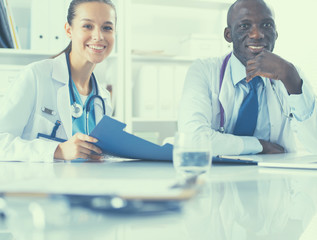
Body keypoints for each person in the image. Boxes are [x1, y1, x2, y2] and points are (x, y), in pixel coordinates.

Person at [178, 0, 317, 156]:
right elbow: (193, 139)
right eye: (244, 26)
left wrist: (293, 83)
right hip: (218, 177)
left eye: (267, 25)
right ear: (228, 35)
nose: (257, 35)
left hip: (276, 177)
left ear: (276, 34)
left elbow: (315, 145)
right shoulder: (204, 71)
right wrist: (259, 146)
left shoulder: (289, 74)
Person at [0, 0, 117, 162]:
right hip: (37, 185)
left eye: (107, 28)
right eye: (88, 26)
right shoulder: (36, 76)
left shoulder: (102, 97)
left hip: (86, 183)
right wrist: (57, 150)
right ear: (69, 30)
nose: (99, 36)